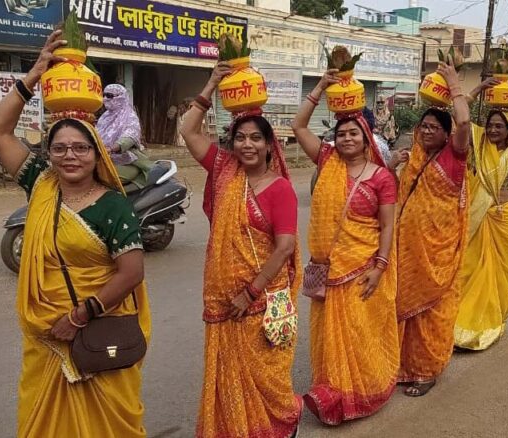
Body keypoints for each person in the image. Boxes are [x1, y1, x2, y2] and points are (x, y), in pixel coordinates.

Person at [0, 30, 150, 437]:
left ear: (97, 153)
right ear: (48, 154)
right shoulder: (40, 185)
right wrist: (33, 76)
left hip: (96, 334)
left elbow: (131, 273)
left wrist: (80, 316)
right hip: (46, 334)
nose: (69, 156)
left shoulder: (112, 204)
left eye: (80, 148)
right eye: (59, 148)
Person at [180, 62, 302, 438]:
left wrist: (250, 291)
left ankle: (283, 423)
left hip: (261, 300)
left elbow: (285, 247)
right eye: (240, 138)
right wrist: (213, 82)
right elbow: (188, 130)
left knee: (268, 376)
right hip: (223, 299)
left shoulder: (280, 188)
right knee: (229, 374)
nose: (247, 145)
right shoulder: (223, 169)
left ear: (269, 145)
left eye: (255, 139)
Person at [292, 69, 399, 425]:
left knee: (357, 333)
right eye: (341, 134)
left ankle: (363, 390)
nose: (347, 138)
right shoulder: (327, 162)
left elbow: (387, 225)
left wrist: (379, 267)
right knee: (329, 337)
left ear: (366, 137)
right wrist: (320, 86)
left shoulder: (382, 177)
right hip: (327, 269)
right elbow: (298, 128)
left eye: (354, 133)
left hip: (362, 266)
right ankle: (332, 392)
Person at [392, 62, 470, 396]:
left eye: (434, 128)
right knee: (402, 312)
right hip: (406, 251)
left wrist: (454, 84)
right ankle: (400, 366)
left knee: (429, 314)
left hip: (436, 255)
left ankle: (426, 371)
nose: (426, 132)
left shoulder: (454, 157)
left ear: (446, 133)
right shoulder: (414, 158)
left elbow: (464, 120)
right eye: (423, 126)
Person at [453, 78, 508, 348]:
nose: (493, 129)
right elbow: (458, 120)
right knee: (468, 268)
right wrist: (476, 90)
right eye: (490, 125)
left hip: (505, 217)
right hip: (477, 214)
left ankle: (490, 322)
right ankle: (461, 323)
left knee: (501, 271)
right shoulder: (477, 147)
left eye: (500, 126)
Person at [96, 84, 153, 189]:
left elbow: (130, 136)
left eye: (109, 96)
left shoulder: (129, 116)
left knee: (104, 178)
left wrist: (112, 148)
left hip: (127, 161)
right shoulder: (104, 117)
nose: (105, 99)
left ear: (120, 97)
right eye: (104, 95)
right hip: (102, 158)